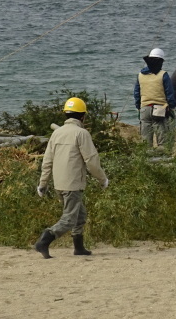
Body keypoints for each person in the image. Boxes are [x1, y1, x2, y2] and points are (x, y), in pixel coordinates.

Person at [34, 96, 109, 259]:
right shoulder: (82, 134)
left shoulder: (57, 133)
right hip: (73, 184)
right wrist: (102, 179)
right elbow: (92, 161)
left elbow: (47, 161)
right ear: (83, 116)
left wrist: (43, 184)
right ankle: (45, 240)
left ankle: (79, 247)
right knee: (69, 219)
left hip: (59, 184)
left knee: (80, 215)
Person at [134, 47, 176, 152]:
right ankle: (162, 161)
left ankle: (147, 162)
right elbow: (169, 94)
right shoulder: (163, 75)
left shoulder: (140, 75)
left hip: (144, 109)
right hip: (160, 110)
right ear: (161, 61)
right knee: (162, 141)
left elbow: (136, 93)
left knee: (146, 141)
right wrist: (172, 107)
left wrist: (138, 106)